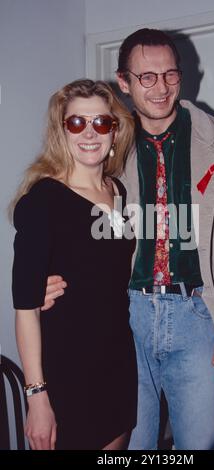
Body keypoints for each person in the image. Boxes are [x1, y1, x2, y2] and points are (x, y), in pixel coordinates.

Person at [42, 29, 214, 450]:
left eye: (169, 75)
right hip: (122, 317)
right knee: (131, 445)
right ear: (123, 82)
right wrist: (45, 272)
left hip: (200, 317)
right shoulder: (105, 145)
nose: (160, 88)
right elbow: (60, 211)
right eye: (146, 77)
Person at [11, 79, 137, 450]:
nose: (89, 133)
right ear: (61, 131)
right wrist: (37, 397)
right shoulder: (43, 201)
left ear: (115, 131)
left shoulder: (118, 192)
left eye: (101, 122)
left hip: (116, 364)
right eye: (76, 123)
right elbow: (25, 310)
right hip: (66, 372)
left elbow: (113, 272)